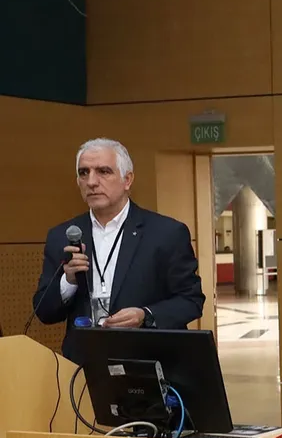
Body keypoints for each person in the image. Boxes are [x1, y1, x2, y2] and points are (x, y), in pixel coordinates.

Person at [32, 138, 204, 363]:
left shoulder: (166, 233)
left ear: (127, 180)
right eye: (84, 173)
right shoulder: (62, 236)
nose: (92, 182)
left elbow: (191, 300)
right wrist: (69, 281)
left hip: (146, 362)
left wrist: (145, 315)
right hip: (85, 365)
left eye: (103, 172)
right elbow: (44, 312)